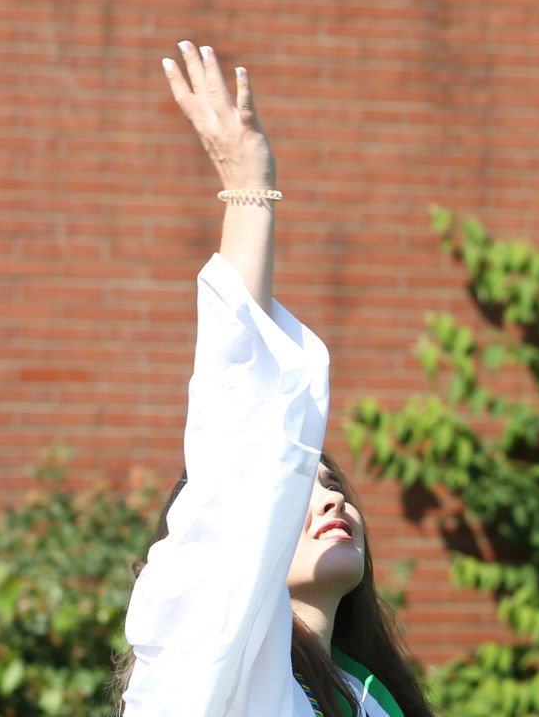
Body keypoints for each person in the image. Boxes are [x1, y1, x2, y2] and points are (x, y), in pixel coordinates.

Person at [119, 41, 434, 717]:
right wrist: (248, 189)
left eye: (337, 487)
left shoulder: (372, 700)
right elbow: (242, 421)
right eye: (303, 486)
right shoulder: (209, 665)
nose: (334, 502)